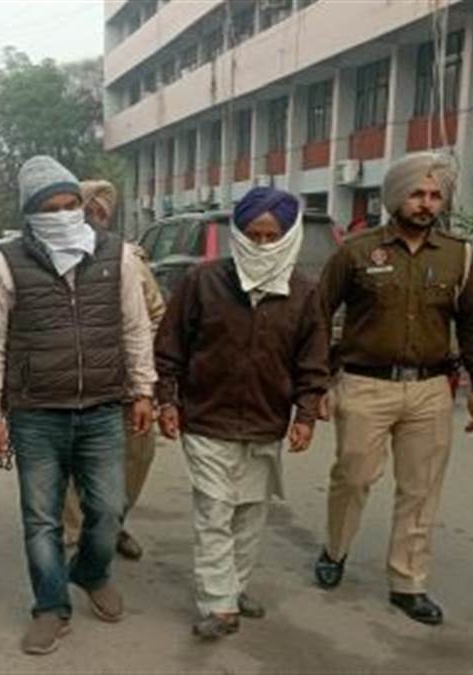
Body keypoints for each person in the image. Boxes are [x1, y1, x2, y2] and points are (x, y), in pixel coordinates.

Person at [0, 156, 156, 656]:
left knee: (108, 509)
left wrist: (143, 389)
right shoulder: (5, 263)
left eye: (69, 204)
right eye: (48, 208)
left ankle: (91, 572)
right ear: (30, 213)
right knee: (41, 519)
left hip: (102, 408)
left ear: (81, 203)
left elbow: (136, 327)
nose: (61, 215)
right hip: (35, 413)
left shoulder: (117, 255)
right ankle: (50, 606)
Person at [313, 152, 473, 626]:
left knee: (421, 488)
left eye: (434, 196)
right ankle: (335, 549)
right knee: (353, 477)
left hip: (431, 388)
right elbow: (318, 315)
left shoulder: (459, 254)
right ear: (396, 197)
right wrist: (318, 381)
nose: (426, 204)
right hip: (365, 385)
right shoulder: (356, 251)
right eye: (417, 194)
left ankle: (408, 582)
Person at [155, 187, 328, 639]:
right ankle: (219, 604)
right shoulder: (203, 281)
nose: (262, 244)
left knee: (250, 512)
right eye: (253, 235)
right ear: (237, 234)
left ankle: (234, 586)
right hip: (206, 417)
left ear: (288, 237)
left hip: (266, 422)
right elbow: (170, 346)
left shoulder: (304, 293)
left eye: (272, 236)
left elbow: (312, 362)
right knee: (214, 509)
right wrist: (167, 400)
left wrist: (306, 415)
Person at [61, 179, 166, 561]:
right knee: (69, 462)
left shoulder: (130, 259)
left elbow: (157, 315)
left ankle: (112, 523)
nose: (94, 218)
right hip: (69, 384)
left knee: (138, 456)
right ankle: (75, 533)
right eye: (87, 210)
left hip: (125, 384)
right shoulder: (53, 258)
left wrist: (139, 364)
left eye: (101, 212)